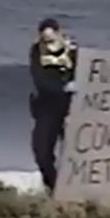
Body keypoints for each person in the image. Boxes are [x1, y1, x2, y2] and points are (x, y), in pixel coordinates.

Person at [28, 18, 78, 196]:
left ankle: (74, 191)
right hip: (46, 106)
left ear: (59, 34)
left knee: (74, 151)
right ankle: (53, 187)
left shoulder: (73, 50)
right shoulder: (36, 51)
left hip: (69, 106)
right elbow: (39, 77)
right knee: (41, 151)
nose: (47, 44)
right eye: (44, 40)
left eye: (50, 39)